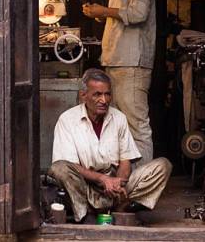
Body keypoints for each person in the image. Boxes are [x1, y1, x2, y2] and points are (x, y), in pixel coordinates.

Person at [49, 69, 171, 223]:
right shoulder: (67, 120)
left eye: (107, 94)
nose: (104, 100)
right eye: (97, 94)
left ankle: (121, 207)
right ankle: (85, 214)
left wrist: (117, 183)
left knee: (163, 166)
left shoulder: (118, 118)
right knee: (60, 168)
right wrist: (102, 179)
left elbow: (125, 160)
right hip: (85, 186)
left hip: (113, 186)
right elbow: (71, 166)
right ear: (83, 95)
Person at [81, 0, 156, 163]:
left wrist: (104, 11)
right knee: (122, 125)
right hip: (118, 61)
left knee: (137, 127)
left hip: (132, 63)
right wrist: (101, 15)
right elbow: (122, 15)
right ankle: (128, 183)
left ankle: (145, 186)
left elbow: (139, 13)